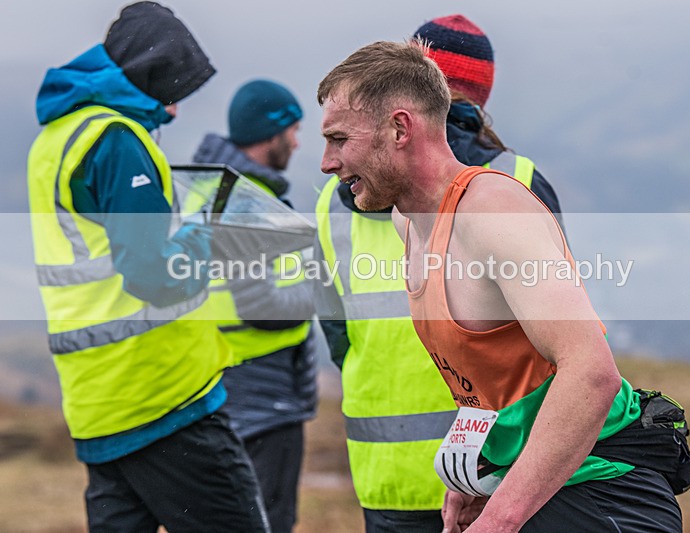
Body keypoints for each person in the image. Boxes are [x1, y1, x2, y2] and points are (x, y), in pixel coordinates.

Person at [316, 41, 683, 532]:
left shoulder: (491, 212)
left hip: (602, 492)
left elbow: (593, 374)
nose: (326, 162)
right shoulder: (409, 221)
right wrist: (472, 480)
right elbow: (491, 380)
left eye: (339, 139)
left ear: (400, 128)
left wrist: (500, 518)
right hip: (532, 487)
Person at [313, 14, 566, 532]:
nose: (328, 161)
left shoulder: (331, 204)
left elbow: (334, 330)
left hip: (386, 467)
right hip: (502, 466)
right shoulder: (516, 180)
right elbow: (554, 343)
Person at [27, 2, 268, 531]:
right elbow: (152, 275)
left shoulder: (56, 139)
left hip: (99, 402)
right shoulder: (116, 140)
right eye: (172, 92)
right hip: (163, 397)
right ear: (151, 73)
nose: (175, 110)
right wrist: (203, 239)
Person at [193, 79, 318, 533]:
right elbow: (261, 305)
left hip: (224, 387)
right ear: (272, 134)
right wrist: (322, 289)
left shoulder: (212, 187)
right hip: (263, 402)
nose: (298, 142)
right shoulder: (245, 200)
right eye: (294, 130)